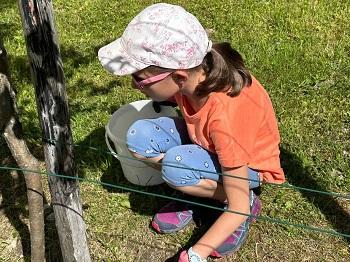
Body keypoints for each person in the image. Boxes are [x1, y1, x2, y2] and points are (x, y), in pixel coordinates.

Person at [98, 3, 285, 261]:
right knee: (140, 138)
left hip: (247, 168)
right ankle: (195, 188)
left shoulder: (225, 117)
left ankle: (230, 197)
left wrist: (196, 254)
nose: (133, 85)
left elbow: (237, 207)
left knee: (178, 168)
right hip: (207, 144)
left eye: (139, 78)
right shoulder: (194, 76)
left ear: (178, 76)